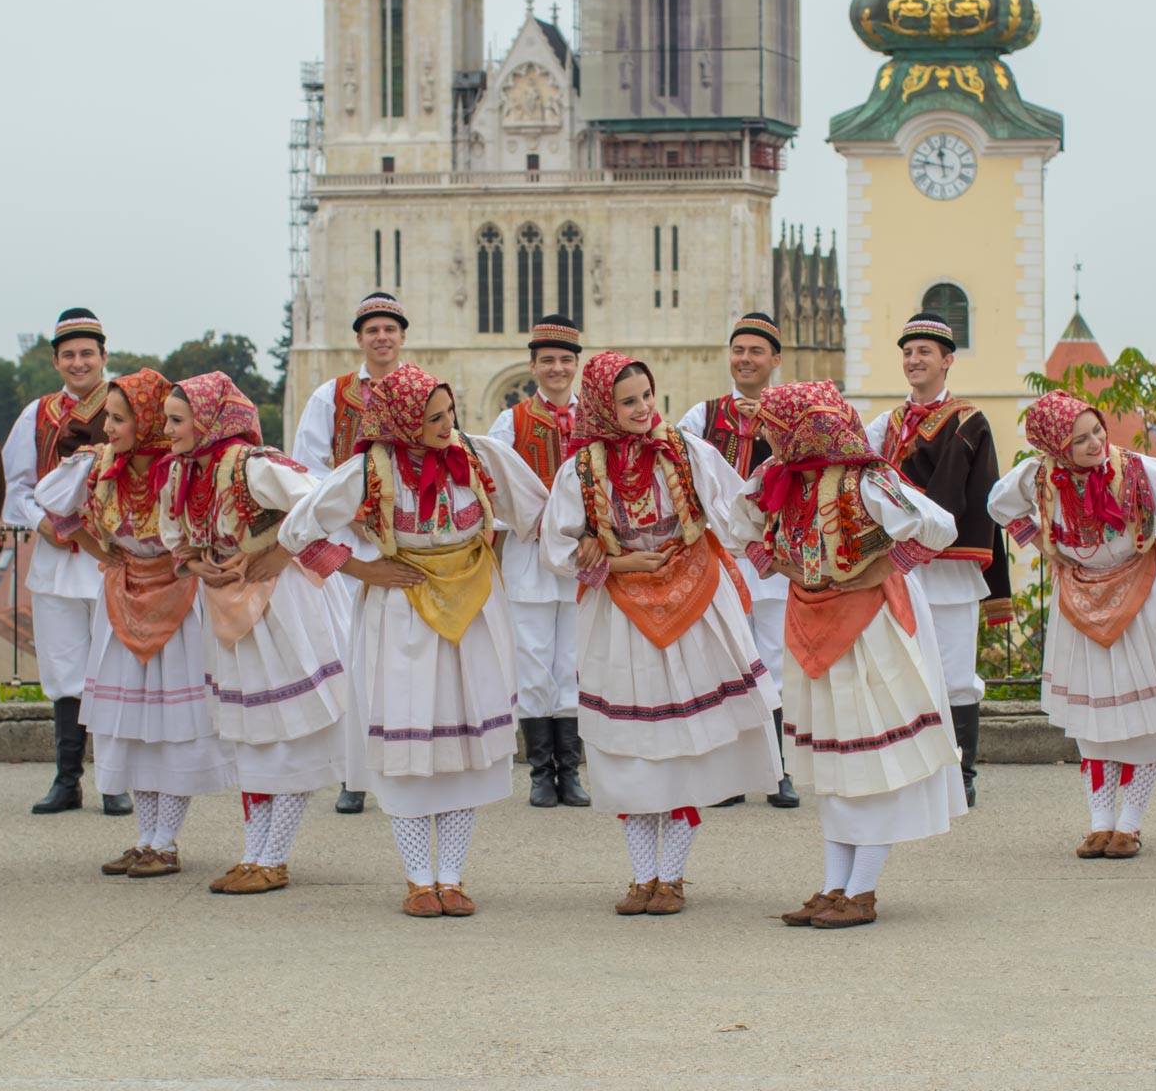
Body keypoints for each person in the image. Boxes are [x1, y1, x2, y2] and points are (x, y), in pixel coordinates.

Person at [279, 365, 549, 918]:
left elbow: (541, 511)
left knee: (465, 747)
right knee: (406, 744)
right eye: (431, 419)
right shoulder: (369, 469)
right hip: (401, 612)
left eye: (448, 413)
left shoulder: (478, 456)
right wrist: (363, 570)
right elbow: (296, 531)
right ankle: (417, 879)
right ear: (402, 421)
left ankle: (451, 876)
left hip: (474, 611)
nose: (445, 426)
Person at [542, 352, 782, 917]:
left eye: (647, 396)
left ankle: (671, 877)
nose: (642, 409)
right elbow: (557, 543)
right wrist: (615, 565)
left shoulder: (686, 450)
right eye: (628, 401)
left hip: (694, 601)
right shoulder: (580, 469)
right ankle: (640, 875)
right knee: (633, 750)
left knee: (682, 746)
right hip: (621, 609)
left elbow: (732, 510)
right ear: (603, 405)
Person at [722, 382, 966, 929]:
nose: (766, 436)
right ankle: (835, 885)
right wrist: (777, 564)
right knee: (836, 760)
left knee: (870, 757)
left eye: (774, 428)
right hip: (812, 619)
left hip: (871, 626)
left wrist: (887, 565)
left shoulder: (866, 480)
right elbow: (735, 524)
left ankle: (862, 889)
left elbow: (938, 525)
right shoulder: (778, 478)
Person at [987, 392, 1156, 860]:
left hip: (1143, 594)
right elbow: (999, 505)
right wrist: (1040, 542)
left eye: (1097, 431)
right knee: (1094, 717)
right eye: (1080, 440)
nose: (1095, 443)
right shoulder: (1038, 477)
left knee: (1146, 717)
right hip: (1079, 597)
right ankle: (1099, 823)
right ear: (1057, 447)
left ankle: (1129, 825)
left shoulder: (1139, 469)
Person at [34, 370, 234, 879]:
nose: (109, 430)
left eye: (121, 420)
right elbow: (53, 502)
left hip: (178, 602)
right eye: (109, 419)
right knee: (134, 728)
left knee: (171, 727)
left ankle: (166, 841)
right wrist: (104, 551)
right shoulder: (102, 468)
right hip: (123, 599)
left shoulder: (182, 471)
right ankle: (145, 838)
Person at [160, 373, 351, 896]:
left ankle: (274, 856)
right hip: (228, 606)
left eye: (177, 420)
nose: (168, 429)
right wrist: (201, 566)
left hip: (280, 604)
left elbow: (323, 500)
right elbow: (175, 537)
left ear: (208, 422)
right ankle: (254, 853)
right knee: (249, 730)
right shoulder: (183, 474)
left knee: (288, 727)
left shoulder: (252, 466)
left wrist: (281, 551)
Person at [863, 311, 1011, 806]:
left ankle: (962, 772)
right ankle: (915, 769)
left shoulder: (969, 421)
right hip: (899, 569)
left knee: (953, 673)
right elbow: (863, 475)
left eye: (924, 351)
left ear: (947, 361)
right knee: (903, 669)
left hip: (947, 569)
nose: (913, 360)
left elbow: (963, 494)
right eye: (907, 352)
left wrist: (913, 522)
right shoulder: (886, 424)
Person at [3, 309, 130, 816]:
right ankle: (66, 777)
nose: (79, 363)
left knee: (114, 667)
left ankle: (115, 780)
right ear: (56, 360)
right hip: (58, 559)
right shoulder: (37, 415)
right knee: (64, 671)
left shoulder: (127, 406)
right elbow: (17, 486)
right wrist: (42, 524)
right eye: (69, 354)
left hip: (111, 558)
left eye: (87, 353)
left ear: (103, 355)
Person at [291, 290, 410, 815]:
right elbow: (306, 468)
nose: (381, 338)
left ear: (402, 335)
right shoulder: (329, 396)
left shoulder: (419, 391)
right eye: (372, 330)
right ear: (360, 339)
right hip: (345, 547)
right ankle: (351, 774)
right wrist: (352, 504)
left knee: (400, 658)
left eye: (390, 329)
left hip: (403, 544)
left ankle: (401, 766)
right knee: (348, 659)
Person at [677, 310, 796, 809]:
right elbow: (678, 472)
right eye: (738, 350)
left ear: (774, 359)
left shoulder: (794, 415)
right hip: (722, 555)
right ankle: (727, 772)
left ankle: (778, 770)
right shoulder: (702, 416)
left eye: (755, 351)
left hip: (773, 556)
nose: (745, 359)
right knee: (723, 656)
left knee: (774, 661)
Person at [486, 314, 589, 808]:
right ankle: (539, 771)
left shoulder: (594, 417)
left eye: (565, 360)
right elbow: (495, 482)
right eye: (546, 360)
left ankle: (570, 769)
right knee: (531, 659)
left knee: (570, 661)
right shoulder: (512, 420)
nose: (556, 368)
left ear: (576, 365)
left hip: (580, 554)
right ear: (533, 365)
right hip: (528, 552)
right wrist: (531, 519)